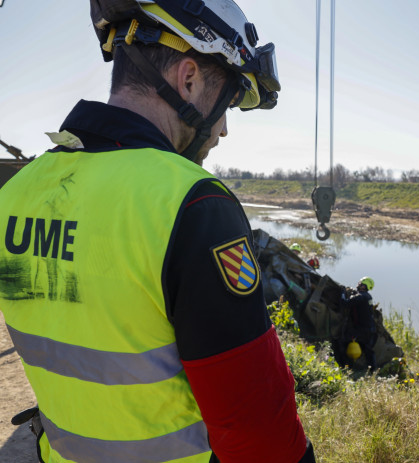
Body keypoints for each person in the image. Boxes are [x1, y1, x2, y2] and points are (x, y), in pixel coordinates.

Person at [0, 1, 315, 462]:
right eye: (226, 103)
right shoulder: (195, 204)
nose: (223, 129)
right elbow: (257, 433)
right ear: (188, 79)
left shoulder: (17, 193)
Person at [340, 276, 377, 370]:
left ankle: (346, 367)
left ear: (364, 286)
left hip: (362, 329)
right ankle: (373, 370)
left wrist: (342, 292)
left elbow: (345, 303)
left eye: (360, 284)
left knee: (344, 341)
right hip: (370, 329)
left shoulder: (361, 297)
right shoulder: (367, 296)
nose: (358, 285)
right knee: (369, 351)